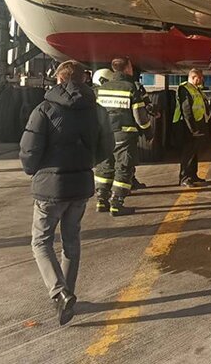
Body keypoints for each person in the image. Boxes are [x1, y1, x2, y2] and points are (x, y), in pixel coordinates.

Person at [20, 59, 113, 325]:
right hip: (81, 185)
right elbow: (107, 146)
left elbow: (29, 150)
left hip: (50, 188)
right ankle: (67, 298)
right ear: (85, 80)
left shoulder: (45, 109)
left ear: (59, 79)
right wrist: (86, 164)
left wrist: (34, 171)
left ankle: (60, 293)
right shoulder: (96, 110)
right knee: (71, 241)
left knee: (41, 241)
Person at [92, 57, 152, 216]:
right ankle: (117, 203)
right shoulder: (130, 87)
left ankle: (101, 200)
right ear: (127, 69)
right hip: (124, 135)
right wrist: (148, 132)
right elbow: (140, 116)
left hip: (105, 135)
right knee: (124, 167)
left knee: (104, 165)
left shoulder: (101, 89)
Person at [173, 68, 210, 187]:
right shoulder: (184, 88)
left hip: (197, 123)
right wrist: (193, 128)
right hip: (186, 125)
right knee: (187, 153)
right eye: (200, 77)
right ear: (194, 77)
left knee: (194, 152)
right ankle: (184, 177)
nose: (202, 79)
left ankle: (193, 175)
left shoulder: (196, 89)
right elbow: (186, 109)